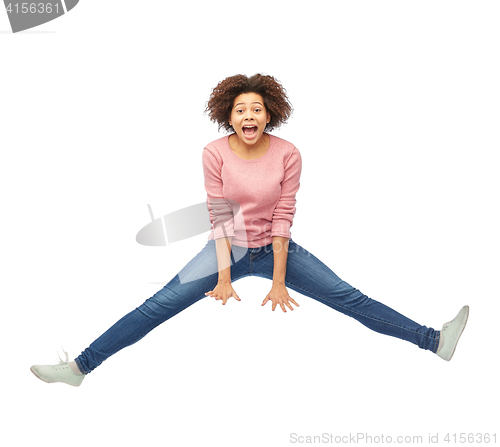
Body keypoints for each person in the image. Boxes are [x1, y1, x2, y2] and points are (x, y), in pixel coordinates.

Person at [30, 73, 469, 387]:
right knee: (157, 306)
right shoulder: (214, 152)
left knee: (349, 299)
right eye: (241, 109)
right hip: (227, 248)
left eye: (256, 108)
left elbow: (283, 217)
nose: (249, 114)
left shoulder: (288, 153)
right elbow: (219, 218)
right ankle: (79, 369)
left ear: (269, 114)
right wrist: (223, 277)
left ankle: (434, 341)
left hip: (277, 248)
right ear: (229, 115)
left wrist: (278, 281)